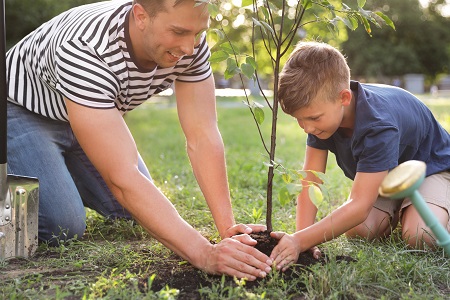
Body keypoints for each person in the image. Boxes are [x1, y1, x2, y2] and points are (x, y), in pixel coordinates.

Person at [6, 0, 273, 280]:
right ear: (141, 16)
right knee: (63, 224)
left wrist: (227, 229)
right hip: (20, 109)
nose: (189, 48)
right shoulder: (86, 48)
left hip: (90, 114)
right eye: (179, 32)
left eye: (197, 33)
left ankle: (55, 171)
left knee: (134, 211)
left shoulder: (190, 43)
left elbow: (203, 135)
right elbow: (122, 177)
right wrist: (204, 253)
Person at [269, 41, 450, 271]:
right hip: (390, 175)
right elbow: (311, 182)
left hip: (430, 166)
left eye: (312, 118)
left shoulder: (378, 125)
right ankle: (404, 209)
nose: (306, 128)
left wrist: (300, 241)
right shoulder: (321, 117)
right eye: (299, 119)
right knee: (359, 231)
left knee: (420, 236)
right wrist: (303, 239)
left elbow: (360, 205)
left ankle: (436, 207)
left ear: (344, 98)